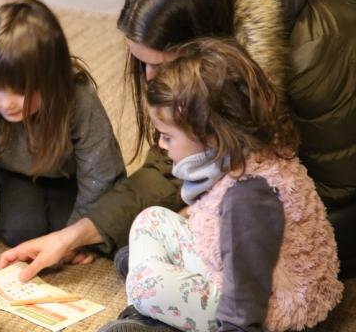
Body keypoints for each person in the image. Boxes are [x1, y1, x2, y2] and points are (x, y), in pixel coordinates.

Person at [0, 0, 356, 281]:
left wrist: (215, 216)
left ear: (203, 45)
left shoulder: (313, 59)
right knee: (153, 243)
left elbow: (331, 193)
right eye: (142, 64)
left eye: (158, 65)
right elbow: (176, 164)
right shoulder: (211, 48)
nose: (149, 78)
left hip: (338, 197)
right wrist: (75, 235)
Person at [101, 38, 342, 332]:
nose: (161, 145)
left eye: (167, 136)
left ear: (209, 134)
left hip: (270, 310)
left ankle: (152, 317)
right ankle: (154, 295)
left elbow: (245, 304)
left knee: (145, 284)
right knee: (151, 219)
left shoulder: (248, 199)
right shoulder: (241, 150)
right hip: (243, 273)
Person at [0, 0, 124, 258]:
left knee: (69, 229)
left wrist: (80, 238)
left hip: (70, 177)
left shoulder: (79, 100)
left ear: (52, 82)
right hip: (14, 174)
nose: (8, 103)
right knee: (21, 232)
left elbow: (101, 172)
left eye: (21, 91)